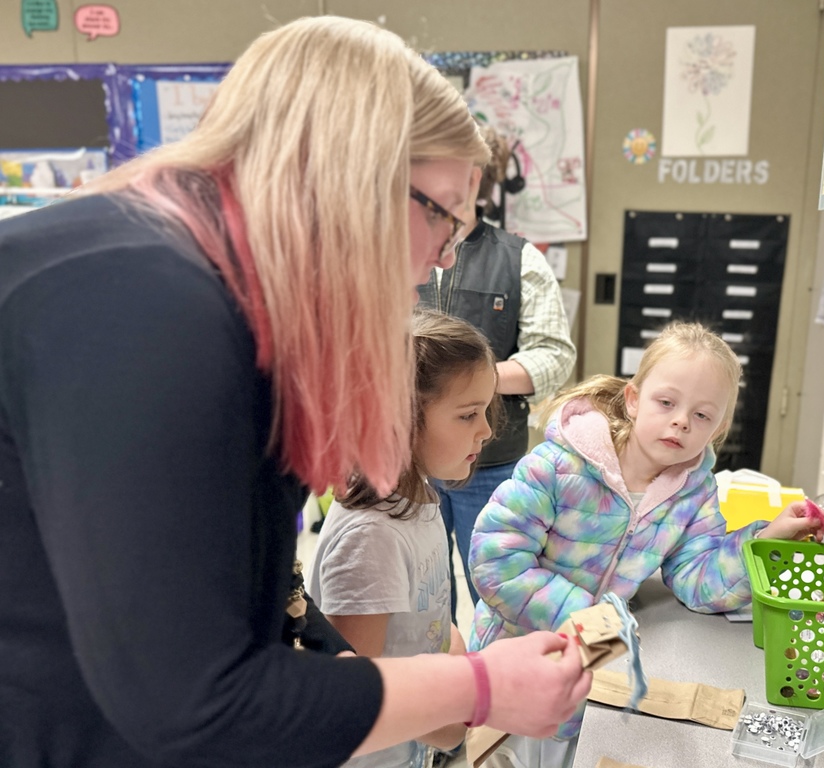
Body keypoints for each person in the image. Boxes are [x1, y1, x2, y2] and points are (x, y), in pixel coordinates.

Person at [0, 16, 590, 768]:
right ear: (350, 176)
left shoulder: (209, 284)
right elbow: (198, 705)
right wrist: (475, 688)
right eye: (441, 213)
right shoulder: (150, 305)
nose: (441, 260)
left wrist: (334, 668)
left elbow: (254, 586)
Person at [467, 321, 824, 768]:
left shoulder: (692, 490)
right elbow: (495, 561)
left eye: (702, 415)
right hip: (515, 658)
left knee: (567, 749)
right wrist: (592, 618)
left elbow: (699, 581)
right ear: (634, 400)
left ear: (719, 426)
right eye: (667, 402)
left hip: (593, 666)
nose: (681, 421)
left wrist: (765, 540)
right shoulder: (558, 466)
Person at [308, 309, 499, 767]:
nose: (487, 430)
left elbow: (429, 621)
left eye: (486, 411)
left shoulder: (421, 497)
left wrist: (464, 672)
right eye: (468, 414)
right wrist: (451, 722)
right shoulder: (372, 538)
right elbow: (354, 700)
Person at [418, 123, 576, 618]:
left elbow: (554, 356)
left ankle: (495, 681)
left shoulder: (519, 258)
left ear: (478, 177)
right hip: (407, 459)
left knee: (495, 586)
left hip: (488, 459)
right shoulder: (400, 250)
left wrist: (469, 385)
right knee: (420, 594)